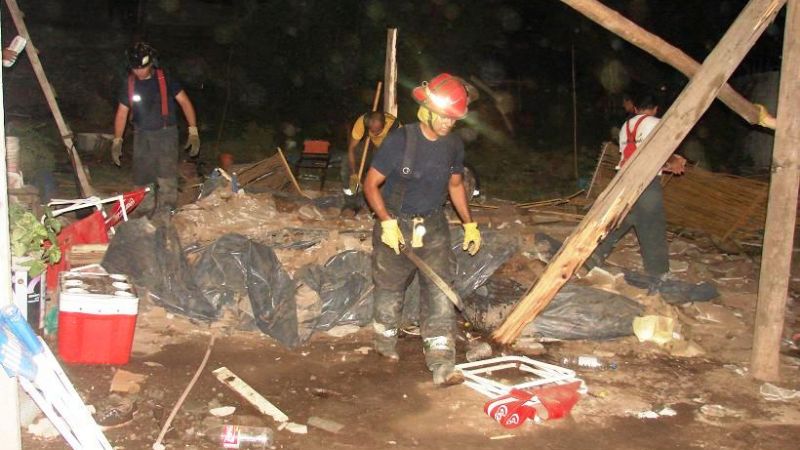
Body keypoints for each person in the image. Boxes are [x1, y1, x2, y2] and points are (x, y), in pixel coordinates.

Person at [363, 73, 481, 386]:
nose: (448, 124)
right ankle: (384, 343)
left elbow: (455, 185)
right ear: (426, 111)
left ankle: (442, 362)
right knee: (389, 289)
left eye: (453, 119)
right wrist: (386, 221)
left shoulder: (453, 145)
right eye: (443, 116)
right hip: (396, 222)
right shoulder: (401, 140)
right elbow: (370, 184)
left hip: (433, 225)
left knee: (440, 290)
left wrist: (470, 224)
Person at [590, 92, 686, 277]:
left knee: (622, 219)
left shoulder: (626, 126)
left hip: (624, 179)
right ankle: (658, 272)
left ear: (635, 108)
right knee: (653, 225)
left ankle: (595, 254)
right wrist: (675, 162)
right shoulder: (657, 123)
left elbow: (633, 154)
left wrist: (667, 164)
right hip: (645, 182)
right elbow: (661, 151)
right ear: (656, 109)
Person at [110, 42, 199, 213]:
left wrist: (193, 130)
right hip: (141, 134)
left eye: (142, 68)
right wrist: (117, 140)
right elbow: (122, 113)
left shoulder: (165, 79)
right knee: (142, 175)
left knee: (166, 174)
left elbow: (185, 102)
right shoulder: (129, 84)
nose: (139, 72)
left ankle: (167, 209)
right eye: (135, 69)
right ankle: (144, 209)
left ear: (151, 63)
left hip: (166, 134)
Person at [342, 111, 399, 196]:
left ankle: (375, 194)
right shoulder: (362, 122)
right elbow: (351, 149)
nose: (375, 134)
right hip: (369, 143)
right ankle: (352, 197)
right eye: (372, 131)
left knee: (379, 176)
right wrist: (353, 173)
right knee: (347, 163)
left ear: (385, 124)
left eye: (378, 131)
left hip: (387, 150)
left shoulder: (395, 127)